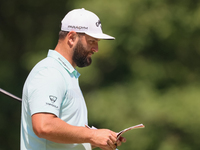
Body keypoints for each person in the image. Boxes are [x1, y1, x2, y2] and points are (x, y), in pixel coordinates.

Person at [20, 8, 126, 150]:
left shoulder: (66, 74)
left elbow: (66, 138)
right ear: (71, 38)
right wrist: (91, 135)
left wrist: (97, 139)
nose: (96, 48)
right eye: (92, 41)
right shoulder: (50, 72)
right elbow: (43, 126)